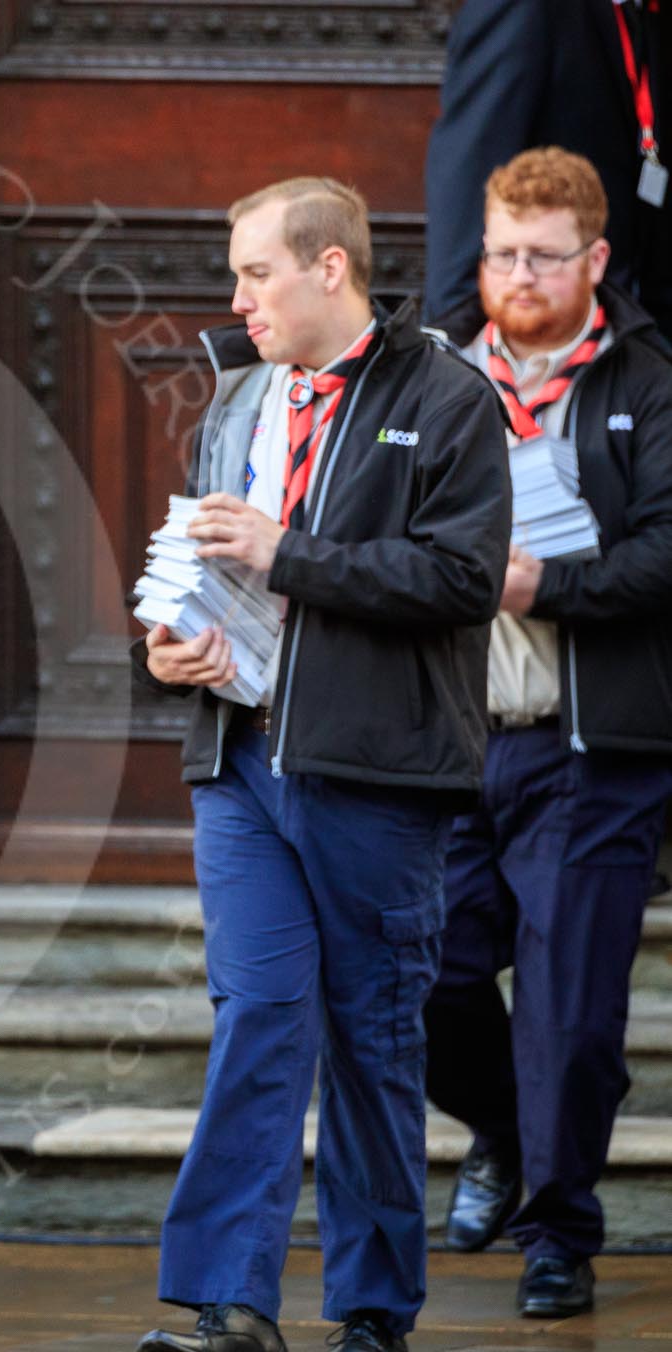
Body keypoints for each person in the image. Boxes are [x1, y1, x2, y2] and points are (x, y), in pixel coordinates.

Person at [131, 179, 510, 1352]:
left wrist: (290, 551)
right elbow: (208, 569)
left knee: (372, 1040)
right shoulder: (237, 400)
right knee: (257, 1015)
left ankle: (373, 1313)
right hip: (241, 759)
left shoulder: (446, 397)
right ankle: (228, 1303)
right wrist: (168, 647)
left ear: (331, 268)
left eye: (257, 272)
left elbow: (462, 581)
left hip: (378, 773)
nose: (238, 297)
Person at [423, 147, 672, 1317]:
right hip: (446, 743)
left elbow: (668, 552)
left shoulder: (646, 379)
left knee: (573, 1012)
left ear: (595, 259)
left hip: (589, 748)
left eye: (542, 255)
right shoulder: (430, 376)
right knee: (424, 973)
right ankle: (509, 1139)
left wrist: (545, 586)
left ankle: (558, 1237)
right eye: (499, 252)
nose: (516, 275)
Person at [424, 0, 671, 335]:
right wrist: (454, 345)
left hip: (624, 331)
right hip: (535, 343)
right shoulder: (517, 8)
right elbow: (467, 181)